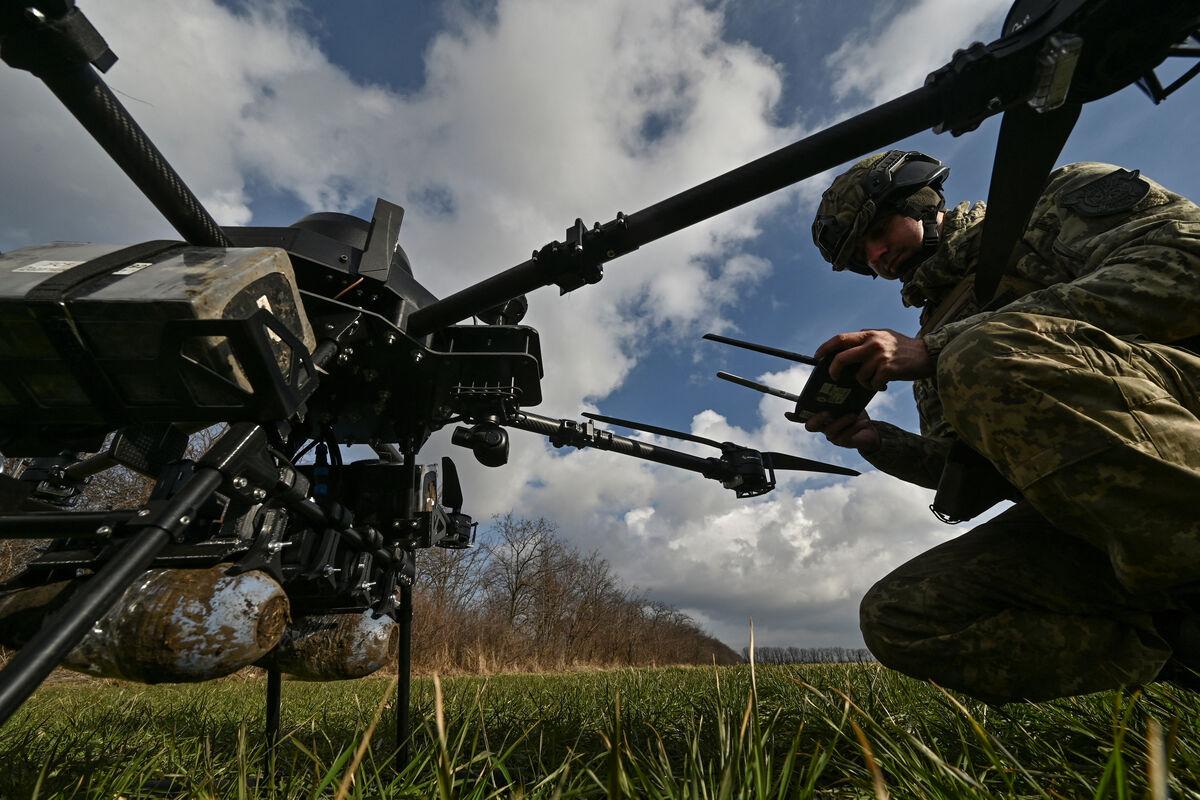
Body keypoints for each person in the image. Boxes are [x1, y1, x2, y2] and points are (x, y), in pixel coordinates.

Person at [806, 150, 1200, 703]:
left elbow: (1186, 262)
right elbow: (980, 476)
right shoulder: (934, 336)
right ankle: (1178, 646)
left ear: (921, 201)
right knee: (901, 614)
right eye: (861, 258)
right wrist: (875, 440)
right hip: (1098, 518)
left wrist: (944, 351)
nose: (876, 256)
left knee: (981, 354)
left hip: (1181, 411)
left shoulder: (1048, 203)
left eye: (877, 230)